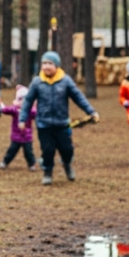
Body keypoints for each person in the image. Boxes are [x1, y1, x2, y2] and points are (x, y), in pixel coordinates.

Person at [19, 51, 99, 186]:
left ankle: (67, 165)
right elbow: (27, 102)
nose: (46, 66)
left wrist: (91, 111)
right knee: (48, 150)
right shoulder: (37, 81)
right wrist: (22, 119)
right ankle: (47, 173)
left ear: (56, 65)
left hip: (62, 123)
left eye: (50, 63)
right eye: (44, 63)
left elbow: (78, 97)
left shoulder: (66, 80)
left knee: (67, 150)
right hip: (43, 124)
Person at [0, 85, 37, 171]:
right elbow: (5, 110)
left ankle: (32, 164)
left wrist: (37, 106)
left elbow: (36, 114)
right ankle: (5, 162)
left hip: (27, 136)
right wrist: (1, 105)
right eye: (21, 99)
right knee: (12, 150)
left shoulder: (30, 111)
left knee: (28, 152)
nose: (23, 102)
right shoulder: (15, 109)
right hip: (16, 136)